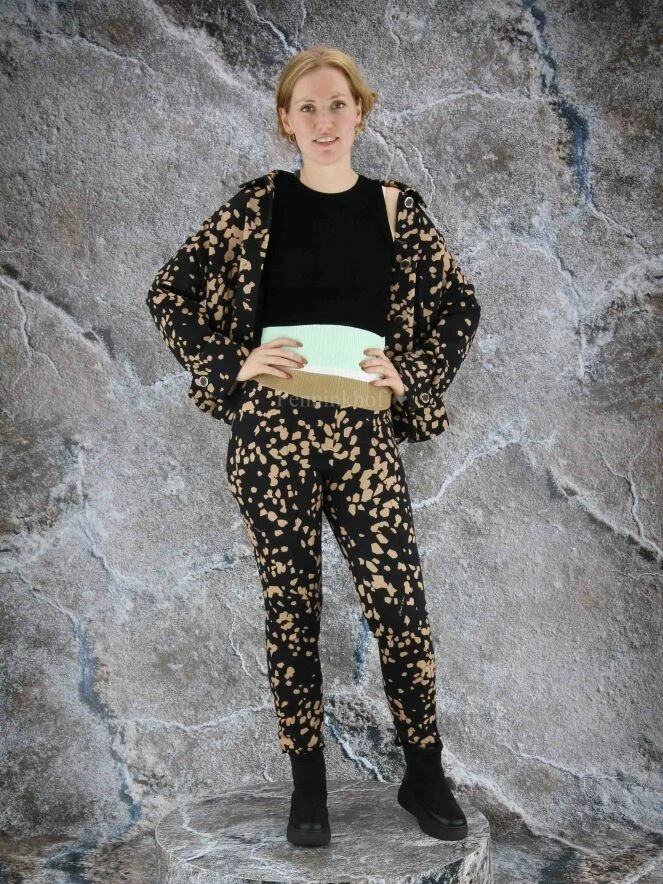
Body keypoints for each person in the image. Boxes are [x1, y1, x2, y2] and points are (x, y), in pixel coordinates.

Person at [146, 46, 481, 848]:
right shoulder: (258, 204)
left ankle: (423, 773)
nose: (323, 121)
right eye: (307, 108)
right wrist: (234, 361)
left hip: (363, 434)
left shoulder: (395, 209)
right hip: (272, 434)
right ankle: (308, 790)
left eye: (337, 105)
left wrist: (413, 371)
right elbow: (169, 292)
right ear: (285, 120)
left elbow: (459, 304)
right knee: (291, 609)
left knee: (399, 606)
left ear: (360, 112)